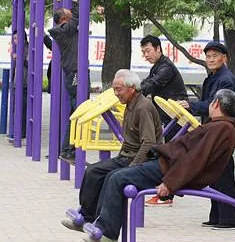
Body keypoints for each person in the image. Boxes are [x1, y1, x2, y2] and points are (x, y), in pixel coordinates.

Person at [74, 89, 235, 242]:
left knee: (118, 178)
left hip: (168, 170)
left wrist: (170, 183)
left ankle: (107, 234)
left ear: (216, 103)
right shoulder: (219, 126)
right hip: (166, 164)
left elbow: (196, 159)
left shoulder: (222, 128)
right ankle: (98, 225)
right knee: (111, 175)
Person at [61, 69, 163, 232]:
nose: (116, 94)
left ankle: (101, 224)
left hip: (139, 160)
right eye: (114, 89)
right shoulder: (130, 104)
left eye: (119, 89)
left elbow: (149, 142)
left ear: (132, 88)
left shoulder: (142, 107)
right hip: (126, 156)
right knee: (93, 171)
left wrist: (135, 166)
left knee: (111, 177)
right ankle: (86, 216)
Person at [179, 41, 235, 229]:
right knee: (215, 175)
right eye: (208, 56)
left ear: (224, 58)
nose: (211, 59)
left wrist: (191, 105)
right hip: (215, 131)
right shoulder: (213, 77)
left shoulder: (226, 80)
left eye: (215, 56)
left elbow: (216, 105)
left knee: (223, 176)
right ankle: (217, 216)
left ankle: (228, 219)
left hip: (224, 132)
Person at [139, 35, 189, 206]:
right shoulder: (157, 66)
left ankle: (166, 196)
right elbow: (147, 82)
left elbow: (152, 84)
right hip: (169, 117)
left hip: (177, 118)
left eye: (148, 51)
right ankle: (162, 193)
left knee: (171, 156)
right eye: (143, 52)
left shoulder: (165, 68)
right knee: (165, 154)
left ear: (158, 49)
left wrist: (134, 91)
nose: (146, 55)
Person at [49, 0, 81, 163]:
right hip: (75, 73)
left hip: (76, 71)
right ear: (63, 20)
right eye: (69, 15)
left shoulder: (65, 30)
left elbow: (76, 17)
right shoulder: (63, 30)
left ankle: (69, 148)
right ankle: (68, 149)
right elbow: (76, 17)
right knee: (78, 109)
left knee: (78, 109)